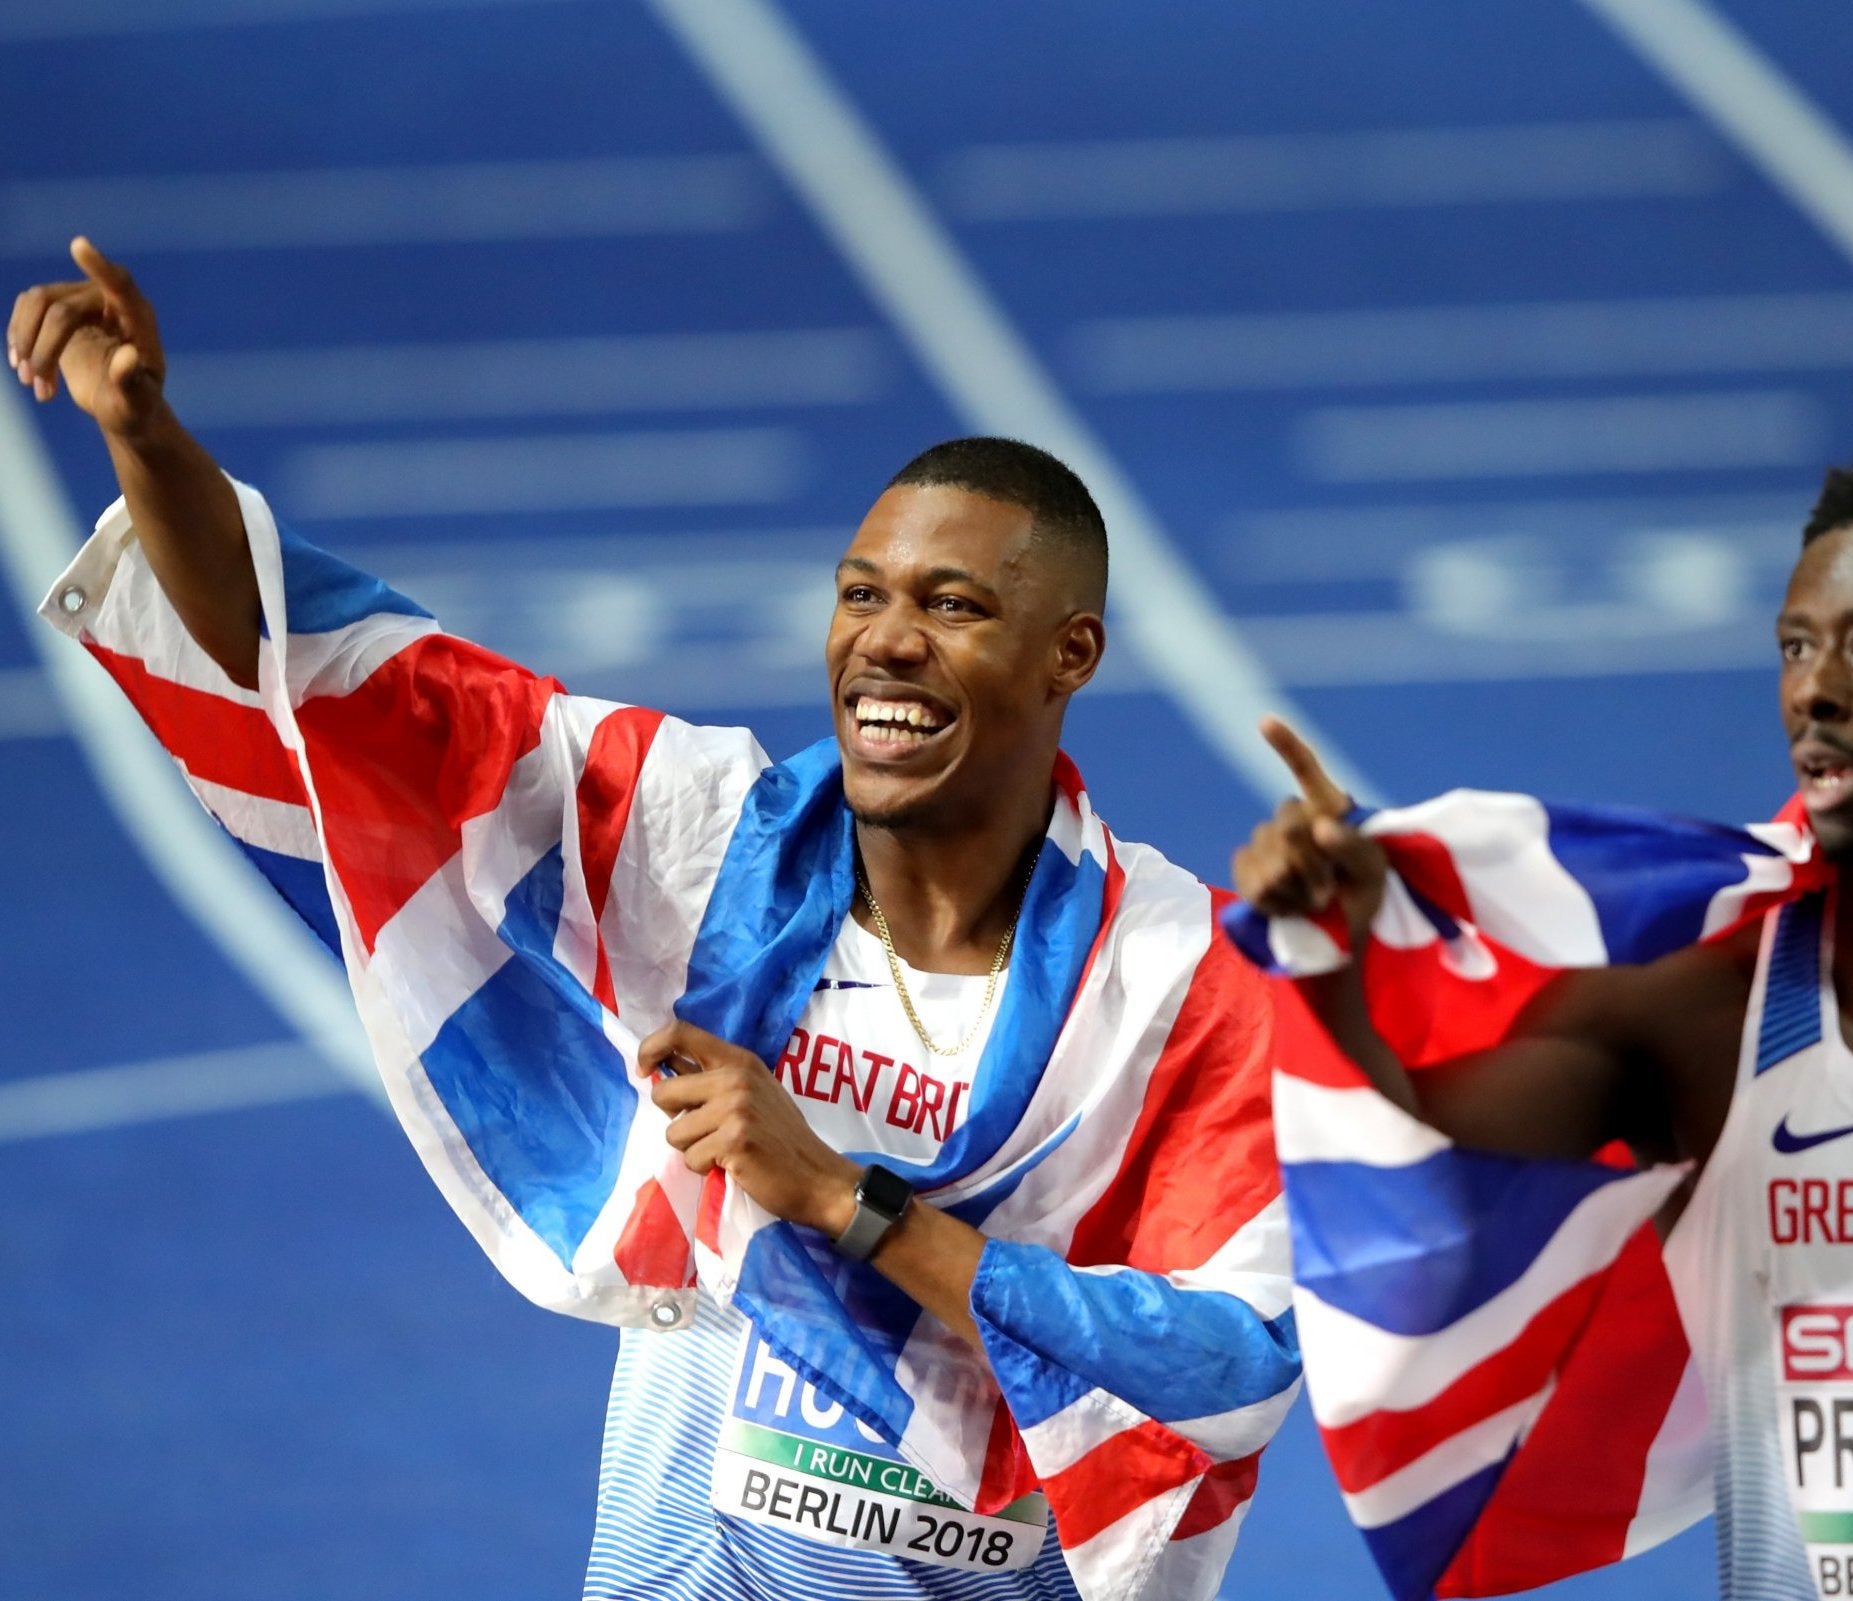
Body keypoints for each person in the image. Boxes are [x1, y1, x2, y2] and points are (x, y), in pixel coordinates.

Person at [13, 239, 1298, 1601]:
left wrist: (841, 1203)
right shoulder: (702, 847)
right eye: (861, 593)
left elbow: (1222, 1366)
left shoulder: (1178, 982)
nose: (887, 639)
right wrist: (148, 439)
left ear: (1069, 655)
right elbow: (355, 685)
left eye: (953, 604)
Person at [1232, 446, 1853, 1600]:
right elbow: (1426, 1132)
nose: (1813, 689)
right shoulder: (1724, 1012)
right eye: (1796, 646)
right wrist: (1339, 953)